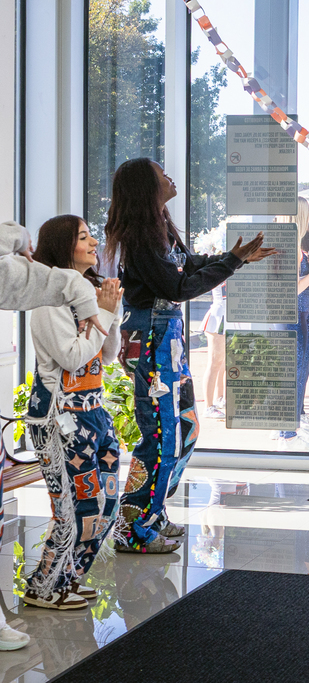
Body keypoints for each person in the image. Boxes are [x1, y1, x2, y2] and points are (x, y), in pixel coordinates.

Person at [104, 157, 275, 553]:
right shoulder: (140, 236)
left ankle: (151, 512)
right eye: (162, 174)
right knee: (163, 436)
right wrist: (232, 262)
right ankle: (133, 526)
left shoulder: (156, 229)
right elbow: (178, 288)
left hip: (166, 340)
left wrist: (234, 259)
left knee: (185, 431)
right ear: (148, 187)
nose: (170, 177)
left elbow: (185, 266)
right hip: (151, 340)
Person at [24, 215, 122, 609]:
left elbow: (108, 355)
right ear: (65, 246)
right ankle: (44, 586)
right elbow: (72, 358)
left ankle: (68, 577)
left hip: (94, 410)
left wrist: (109, 311)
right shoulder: (50, 299)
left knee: (105, 501)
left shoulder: (86, 291)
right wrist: (105, 314)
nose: (93, 242)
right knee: (73, 507)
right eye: (83, 237)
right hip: (58, 417)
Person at [273, 198, 309, 448]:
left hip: (297, 315)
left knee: (295, 375)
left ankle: (291, 428)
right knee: (292, 377)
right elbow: (290, 289)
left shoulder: (289, 246)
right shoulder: (288, 247)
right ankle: (288, 434)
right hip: (292, 318)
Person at [200, 282, 226, 419]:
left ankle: (220, 397)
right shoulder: (218, 261)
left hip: (232, 313)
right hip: (220, 314)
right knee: (215, 362)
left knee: (224, 361)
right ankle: (208, 406)